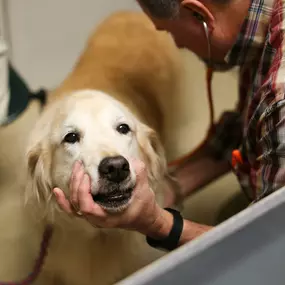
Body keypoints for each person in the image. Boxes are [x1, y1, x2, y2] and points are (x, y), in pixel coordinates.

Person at [54, 0, 285, 251]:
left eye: (171, 31)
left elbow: (272, 248)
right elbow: (247, 129)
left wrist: (156, 222)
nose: (178, 45)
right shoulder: (265, 27)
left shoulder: (280, 99)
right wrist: (171, 187)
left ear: (199, 14)